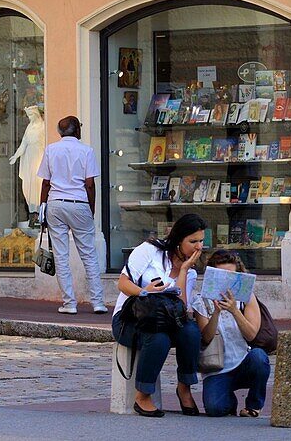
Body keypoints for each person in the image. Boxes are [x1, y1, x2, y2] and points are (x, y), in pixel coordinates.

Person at [112, 214, 205, 418]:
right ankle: (142, 395)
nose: (198, 247)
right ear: (178, 240)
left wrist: (184, 270)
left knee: (190, 331)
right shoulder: (150, 250)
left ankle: (184, 387)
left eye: (201, 241)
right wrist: (145, 291)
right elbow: (123, 284)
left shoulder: (190, 272)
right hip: (131, 317)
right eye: (193, 241)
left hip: (167, 319)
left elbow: (181, 308)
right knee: (158, 338)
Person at [37, 115, 107, 315]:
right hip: (79, 202)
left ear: (60, 132)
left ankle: (69, 303)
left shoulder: (51, 149)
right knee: (89, 255)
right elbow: (90, 184)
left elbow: (45, 182)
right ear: (77, 131)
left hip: (56, 203)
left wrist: (43, 207)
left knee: (61, 255)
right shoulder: (86, 151)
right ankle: (98, 302)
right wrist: (91, 208)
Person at [192, 249, 271, 418]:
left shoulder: (247, 297)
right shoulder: (201, 301)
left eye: (231, 276)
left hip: (244, 361)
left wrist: (235, 311)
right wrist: (216, 313)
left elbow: (251, 335)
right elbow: (206, 337)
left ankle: (253, 406)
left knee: (260, 358)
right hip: (217, 368)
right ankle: (229, 401)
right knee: (215, 409)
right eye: (222, 275)